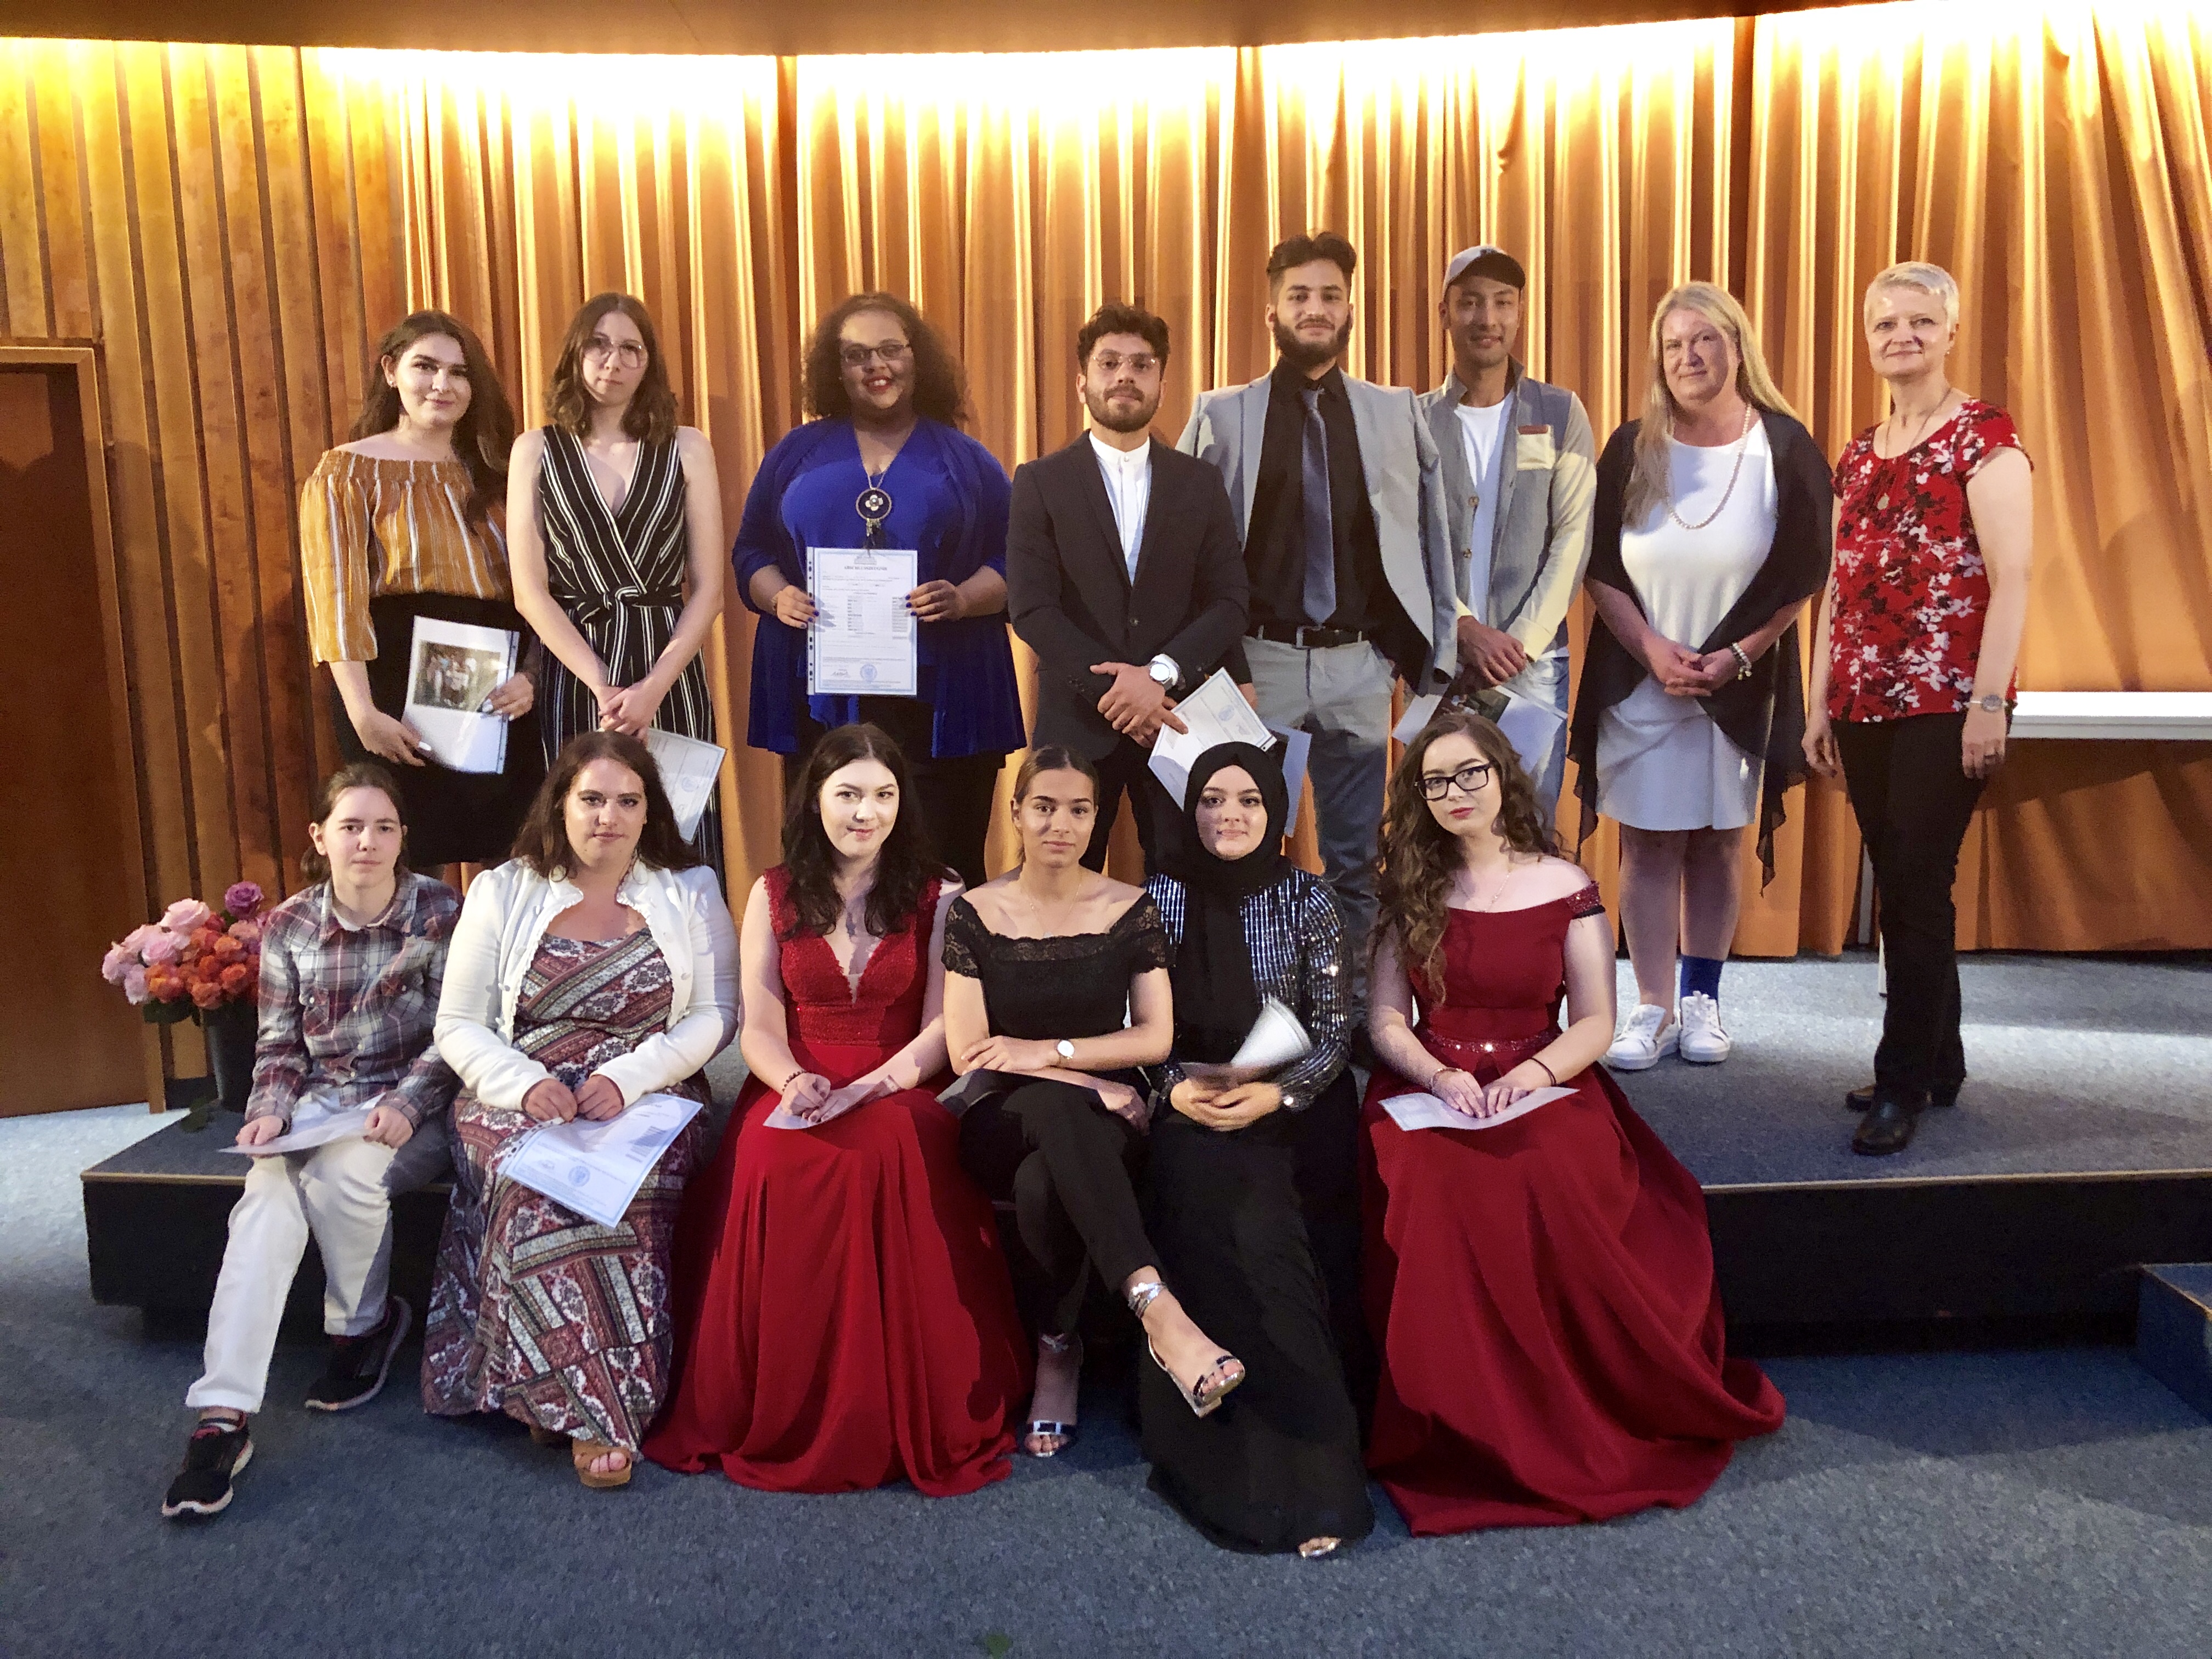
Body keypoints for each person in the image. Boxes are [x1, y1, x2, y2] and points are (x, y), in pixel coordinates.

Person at [1362, 710, 1784, 1534]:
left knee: (1548, 1168)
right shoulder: (1407, 887)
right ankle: (1459, 1428)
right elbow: (1384, 1020)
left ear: (1502, 778)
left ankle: (1559, 1411)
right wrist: (1440, 1075)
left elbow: (1595, 1022)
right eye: (1435, 781)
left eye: (1470, 774)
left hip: (1546, 1074)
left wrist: (1529, 1076)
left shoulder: (1565, 884)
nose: (1455, 793)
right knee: (1432, 1178)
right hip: (1431, 1079)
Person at [646, 724, 1030, 1494]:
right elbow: (757, 1024)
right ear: (814, 799)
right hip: (794, 1078)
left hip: (902, 1082)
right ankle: (778, 1399)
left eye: (884, 795)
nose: (866, 812)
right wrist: (792, 1081)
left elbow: (942, 1029)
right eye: (849, 794)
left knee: (886, 1146)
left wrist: (877, 1085)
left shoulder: (941, 893)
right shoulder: (771, 891)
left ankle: (888, 1404)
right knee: (770, 1152)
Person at [422, 731, 738, 1488]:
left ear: (649, 810)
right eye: (592, 799)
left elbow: (716, 1014)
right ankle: (560, 1394)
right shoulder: (503, 889)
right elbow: (458, 1024)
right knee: (534, 1189)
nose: (609, 817)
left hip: (650, 1087)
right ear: (560, 804)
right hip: (518, 1086)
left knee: (628, 1192)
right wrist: (523, 1084)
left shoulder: (691, 888)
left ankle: (587, 1408)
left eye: (628, 801)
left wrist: (630, 1079)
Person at [162, 765, 459, 1520]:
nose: (368, 841)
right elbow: (278, 1047)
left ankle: (364, 1327)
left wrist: (407, 1103)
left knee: (345, 1174)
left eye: (384, 827)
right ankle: (222, 1415)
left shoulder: (440, 911)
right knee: (263, 1203)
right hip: (319, 1105)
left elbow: (457, 1035)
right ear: (320, 837)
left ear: (402, 838)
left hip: (414, 1107)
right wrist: (267, 1111)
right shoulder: (291, 925)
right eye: (351, 826)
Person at [944, 747, 1245, 1457]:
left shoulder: (1128, 907)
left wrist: (1048, 1053)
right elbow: (969, 1054)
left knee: (1043, 1183)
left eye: (1079, 810)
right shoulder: (975, 911)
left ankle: (1058, 1348)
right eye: (1044, 807)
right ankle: (1160, 1313)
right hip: (1003, 1113)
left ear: (1096, 817)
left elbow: (1156, 1035)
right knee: (1054, 1115)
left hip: (1098, 1119)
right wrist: (1085, 1079)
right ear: (1016, 813)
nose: (1062, 824)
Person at [1178, 231, 1458, 986]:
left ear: (1350, 310)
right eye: (1299, 296)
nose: (1316, 309)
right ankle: (1244, 999)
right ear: (1271, 311)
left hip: (1358, 665)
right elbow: (1187, 550)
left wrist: (1426, 651)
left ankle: (1351, 1006)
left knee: (1354, 857)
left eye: (1331, 296)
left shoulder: (1394, 413)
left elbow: (1431, 537)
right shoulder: (1221, 415)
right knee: (1238, 844)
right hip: (1253, 667)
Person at [1567, 283, 1832, 1070]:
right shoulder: (1632, 447)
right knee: (1648, 844)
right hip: (1641, 677)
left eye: (1706, 339)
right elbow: (1599, 566)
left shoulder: (1783, 446)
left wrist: (1739, 655)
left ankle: (1702, 1001)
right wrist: (1651, 647)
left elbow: (1803, 571)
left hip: (1738, 683)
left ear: (1737, 348)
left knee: (1718, 844)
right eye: (1675, 344)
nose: (1690, 356)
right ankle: (1650, 1006)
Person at [1805, 262, 2034, 1156]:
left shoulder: (1985, 438)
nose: (1901, 335)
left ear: (1949, 332)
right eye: (1885, 323)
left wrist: (1990, 701)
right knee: (1905, 877)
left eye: (1920, 321)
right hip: (1863, 697)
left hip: (1948, 696)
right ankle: (1941, 1059)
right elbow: (1838, 585)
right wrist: (1819, 702)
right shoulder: (1860, 453)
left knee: (1913, 883)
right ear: (1868, 339)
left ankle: (1900, 1081)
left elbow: (2013, 577)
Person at [1140, 743, 1373, 1558]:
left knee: (1275, 1230)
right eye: (1211, 799)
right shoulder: (1156, 897)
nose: (1228, 815)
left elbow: (1334, 1030)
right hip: (1191, 1099)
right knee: (1222, 1210)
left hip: (1291, 1102)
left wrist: (1275, 1096)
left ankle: (1317, 1469)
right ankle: (1241, 1465)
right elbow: (1133, 1028)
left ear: (1276, 812)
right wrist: (1176, 1089)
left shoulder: (1310, 898)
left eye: (1248, 800)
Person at [735, 292, 1023, 888]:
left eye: (891, 350)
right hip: (823, 696)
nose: (877, 366)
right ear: (835, 369)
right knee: (823, 870)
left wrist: (964, 598)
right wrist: (778, 596)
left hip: (941, 700)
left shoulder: (967, 460)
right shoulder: (797, 453)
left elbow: (1014, 559)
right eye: (857, 355)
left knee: (942, 869)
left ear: (918, 359)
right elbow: (752, 552)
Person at [1007, 302, 1249, 871]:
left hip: (1176, 717)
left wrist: (1158, 678)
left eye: (1142, 365)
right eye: (1109, 362)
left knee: (1185, 879)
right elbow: (1032, 608)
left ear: (1162, 384)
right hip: (1076, 721)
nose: (1124, 376)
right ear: (1082, 382)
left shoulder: (1200, 483)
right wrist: (1119, 696)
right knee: (1063, 878)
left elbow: (1230, 601)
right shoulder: (1040, 481)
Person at [300, 310, 541, 868]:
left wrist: (532, 676)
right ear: (391, 371)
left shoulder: (504, 473)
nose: (442, 384)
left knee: (515, 854)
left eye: (459, 373)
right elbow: (336, 601)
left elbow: (543, 591)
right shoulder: (347, 471)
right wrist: (362, 712)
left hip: (498, 686)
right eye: (426, 367)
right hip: (391, 684)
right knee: (404, 854)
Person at [508, 292, 727, 883]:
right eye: (599, 345)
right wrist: (601, 684)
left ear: (649, 362)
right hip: (576, 665)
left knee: (677, 832)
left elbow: (709, 589)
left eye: (632, 348)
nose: (614, 360)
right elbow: (530, 591)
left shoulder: (687, 447)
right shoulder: (535, 451)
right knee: (581, 833)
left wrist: (653, 687)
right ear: (575, 355)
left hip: (668, 664)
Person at [1417, 245, 1597, 823]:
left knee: (1529, 829)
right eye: (1470, 303)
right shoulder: (1413, 420)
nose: (1487, 319)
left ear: (1521, 313)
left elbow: (1573, 537)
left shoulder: (1561, 412)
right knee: (1445, 831)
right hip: (1442, 662)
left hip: (1534, 665)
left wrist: (1518, 644)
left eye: (1502, 303)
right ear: (1444, 313)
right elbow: (1404, 544)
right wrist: (1462, 628)